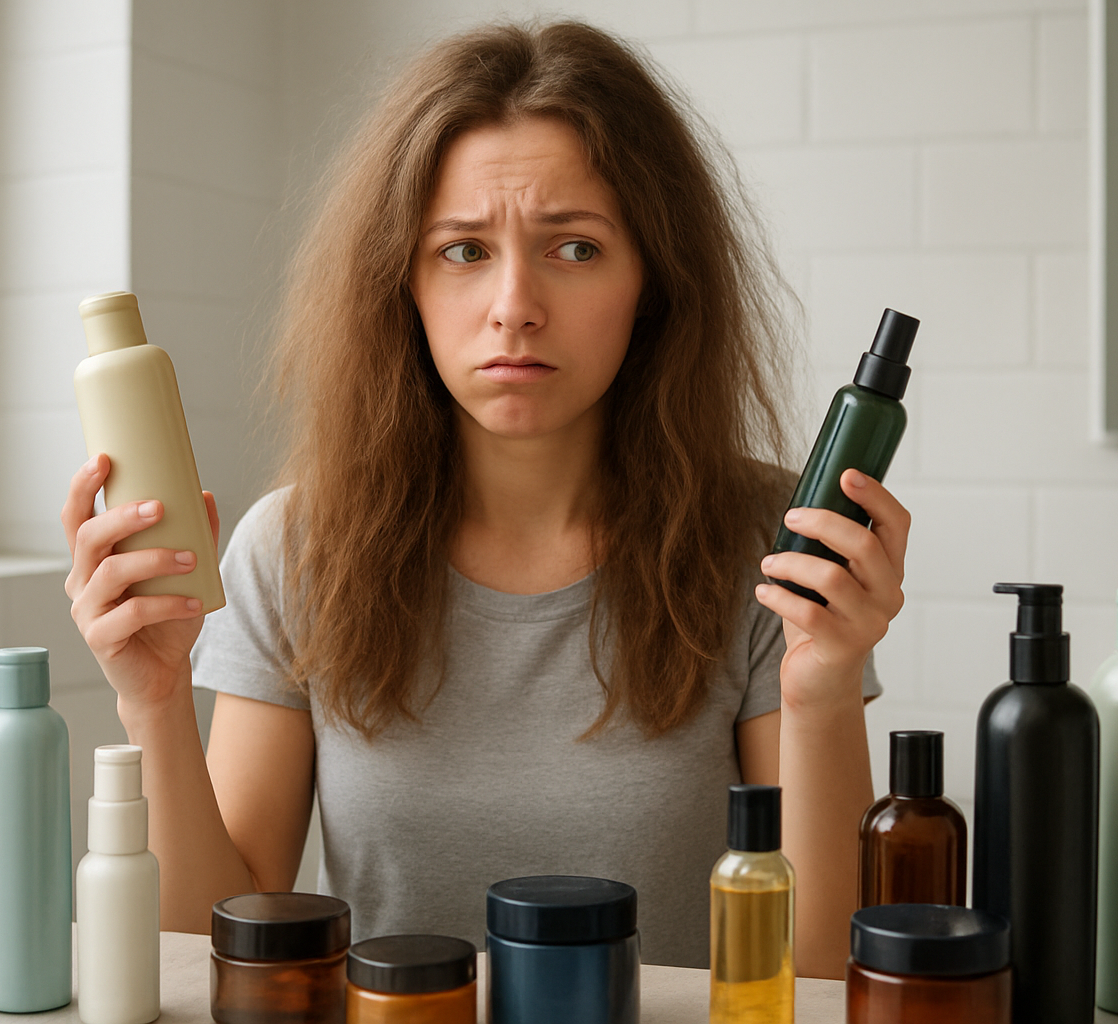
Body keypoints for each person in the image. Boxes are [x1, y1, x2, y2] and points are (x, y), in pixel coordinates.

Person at [62, 20, 909, 978]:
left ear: (655, 284)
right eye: (463, 251)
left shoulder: (768, 546)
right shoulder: (292, 550)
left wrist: (826, 687)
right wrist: (158, 700)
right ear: (402, 286)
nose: (515, 303)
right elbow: (207, 945)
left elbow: (824, 971)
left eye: (576, 249)